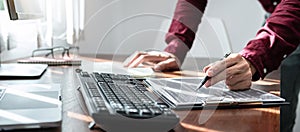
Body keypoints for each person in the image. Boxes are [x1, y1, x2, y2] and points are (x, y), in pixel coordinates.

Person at [125, 0, 300, 131]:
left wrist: (256, 56)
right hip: (277, 15)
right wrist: (175, 48)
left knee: (278, 117)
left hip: (291, 15)